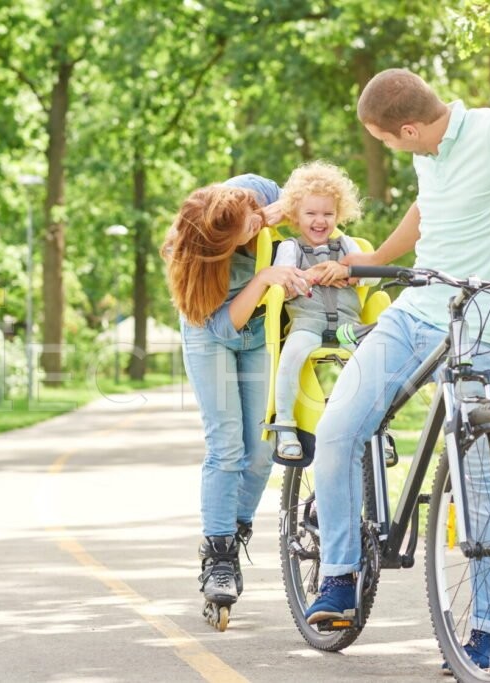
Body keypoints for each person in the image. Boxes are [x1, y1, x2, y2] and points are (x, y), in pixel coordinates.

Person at [303, 69, 490, 670]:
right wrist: (372, 260)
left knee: (479, 487)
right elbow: (429, 208)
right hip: (415, 311)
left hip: (484, 327)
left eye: (388, 140)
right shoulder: (432, 151)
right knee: (338, 429)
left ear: (411, 128)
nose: (390, 148)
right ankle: (340, 574)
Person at [162, 174, 311, 618]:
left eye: (250, 225)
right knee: (227, 445)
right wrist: (263, 277)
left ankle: (236, 526)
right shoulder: (198, 265)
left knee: (264, 446)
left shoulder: (253, 192)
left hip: (260, 332)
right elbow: (224, 325)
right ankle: (219, 556)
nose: (251, 234)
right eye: (241, 237)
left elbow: (308, 201)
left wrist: (281, 210)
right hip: (214, 334)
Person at [269, 161, 372, 462]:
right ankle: (285, 424)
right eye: (311, 213)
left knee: (376, 361)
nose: (320, 221)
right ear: (296, 216)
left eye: (328, 214)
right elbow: (281, 282)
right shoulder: (291, 248)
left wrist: (347, 270)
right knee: (290, 357)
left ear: (338, 215)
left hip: (349, 326)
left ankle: (378, 429)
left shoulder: (346, 245)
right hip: (308, 323)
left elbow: (372, 274)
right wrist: (311, 275)